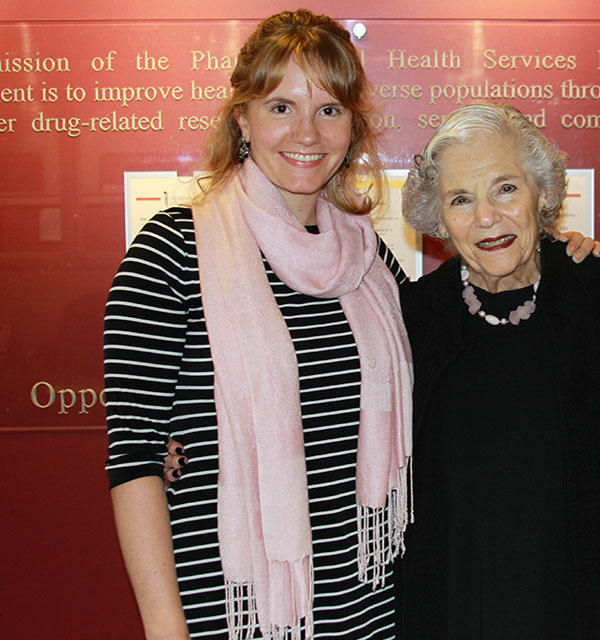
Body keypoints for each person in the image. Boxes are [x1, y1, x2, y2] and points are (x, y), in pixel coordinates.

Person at [104, 11, 414, 639]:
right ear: (242, 118)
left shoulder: (371, 260)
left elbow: (460, 361)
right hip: (236, 612)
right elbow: (134, 457)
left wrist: (554, 261)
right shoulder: (172, 250)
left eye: (329, 108)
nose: (307, 131)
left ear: (352, 126)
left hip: (375, 608)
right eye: (280, 107)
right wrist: (166, 628)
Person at [396, 103, 600, 639]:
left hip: (579, 602)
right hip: (451, 602)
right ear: (438, 218)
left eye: (505, 188)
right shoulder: (412, 317)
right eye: (461, 199)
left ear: (543, 193)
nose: (486, 216)